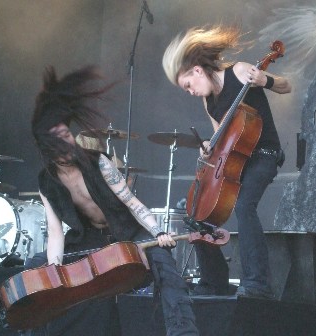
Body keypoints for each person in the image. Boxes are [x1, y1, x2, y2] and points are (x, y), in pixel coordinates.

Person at [27, 65, 199, 335]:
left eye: (68, 133)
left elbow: (133, 203)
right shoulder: (46, 182)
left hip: (128, 231)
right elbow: (55, 232)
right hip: (90, 238)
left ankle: (183, 332)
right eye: (61, 137)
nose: (70, 140)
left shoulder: (99, 163)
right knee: (35, 269)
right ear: (48, 146)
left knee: (164, 261)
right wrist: (54, 270)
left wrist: (158, 231)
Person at [162, 25, 292, 299]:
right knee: (199, 214)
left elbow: (285, 85)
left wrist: (264, 80)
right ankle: (213, 281)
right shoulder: (209, 102)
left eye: (187, 85)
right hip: (237, 160)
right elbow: (222, 137)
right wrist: (209, 147)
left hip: (265, 153)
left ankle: (258, 283)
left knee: (245, 206)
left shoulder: (240, 71)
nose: (189, 91)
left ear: (197, 70)